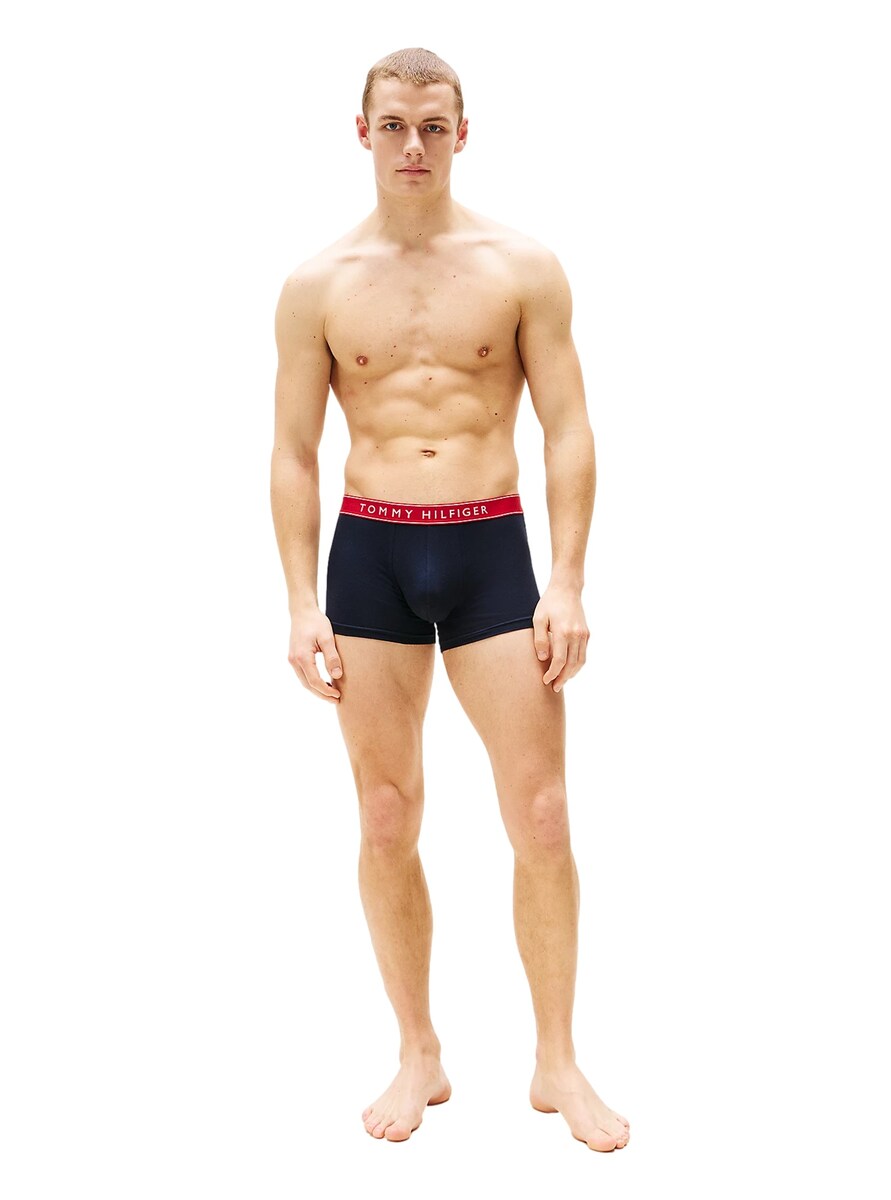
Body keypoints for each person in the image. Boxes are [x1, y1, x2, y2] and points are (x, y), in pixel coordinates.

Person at [270, 46, 630, 1153]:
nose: (413, 145)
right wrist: (301, 601)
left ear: (461, 134)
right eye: (394, 125)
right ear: (363, 133)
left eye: (432, 125)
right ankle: (418, 1049)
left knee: (542, 814)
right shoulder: (318, 284)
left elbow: (568, 428)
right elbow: (292, 453)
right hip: (372, 555)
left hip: (489, 553)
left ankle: (556, 1061)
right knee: (386, 816)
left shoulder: (521, 267)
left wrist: (567, 579)